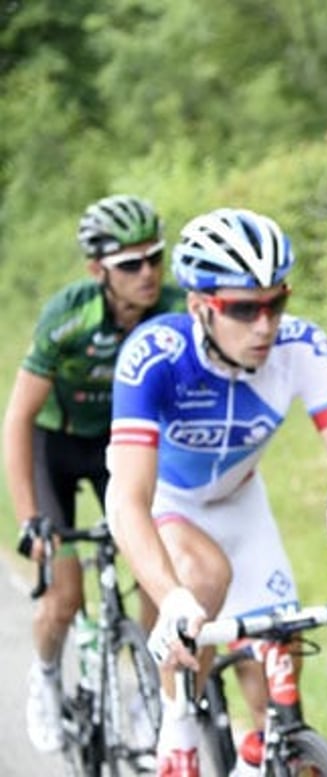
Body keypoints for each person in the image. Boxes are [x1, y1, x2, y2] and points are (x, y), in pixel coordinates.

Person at [104, 207, 327, 776]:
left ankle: (257, 757)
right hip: (169, 501)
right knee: (203, 581)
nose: (265, 326)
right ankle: (176, 726)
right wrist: (169, 596)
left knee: (278, 692)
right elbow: (126, 499)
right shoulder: (155, 353)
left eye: (276, 303)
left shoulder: (302, 348)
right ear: (198, 306)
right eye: (243, 308)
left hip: (242, 506)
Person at [4, 193, 186, 753]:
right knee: (63, 596)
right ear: (97, 270)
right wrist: (31, 517)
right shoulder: (69, 316)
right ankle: (46, 676)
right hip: (55, 445)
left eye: (154, 258)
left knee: (156, 569)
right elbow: (19, 418)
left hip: (120, 446)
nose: (148, 273)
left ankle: (148, 690)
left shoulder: (175, 308)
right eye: (130, 264)